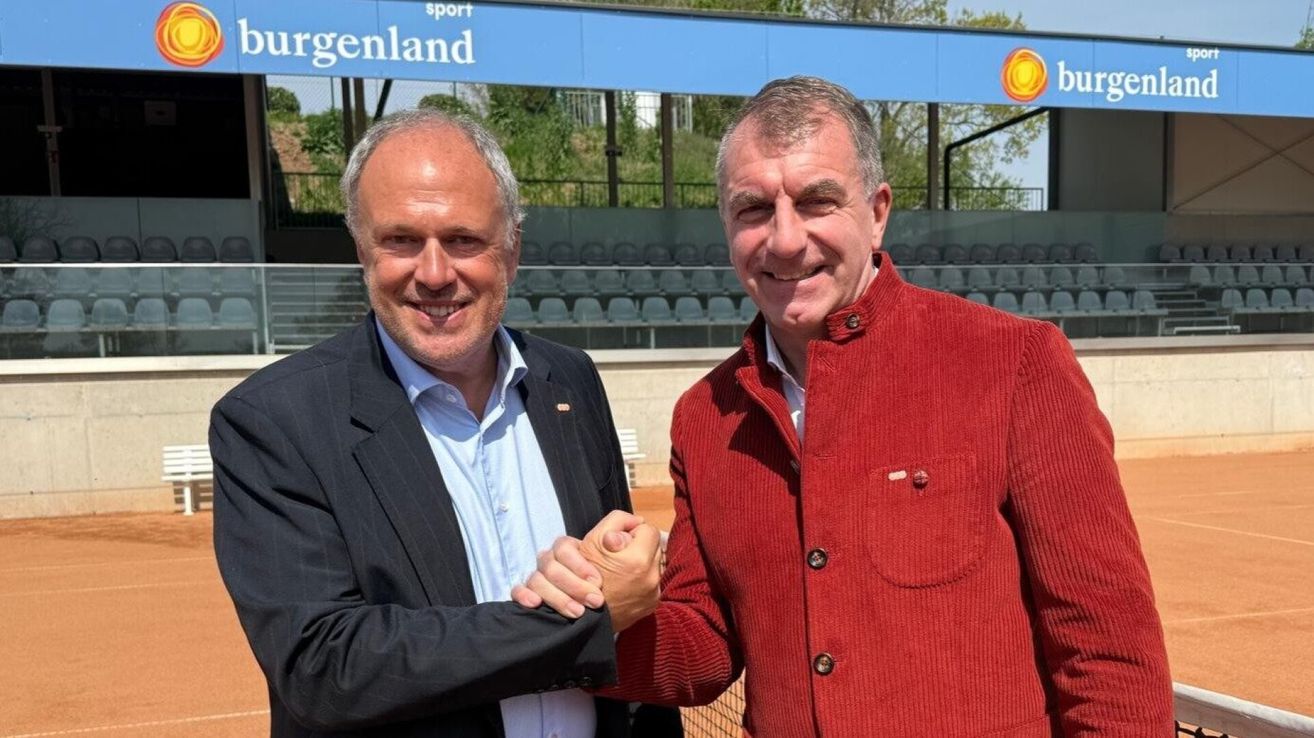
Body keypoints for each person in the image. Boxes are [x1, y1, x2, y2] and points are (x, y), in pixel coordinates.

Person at [513, 76, 1175, 736]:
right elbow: (704, 651)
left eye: (816, 201)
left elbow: (1107, 651)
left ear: (878, 209)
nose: (785, 240)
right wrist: (599, 617)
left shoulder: (1015, 364)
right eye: (752, 209)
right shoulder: (705, 417)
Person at [211, 108, 675, 738]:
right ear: (362, 249)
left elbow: (625, 609)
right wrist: (578, 626)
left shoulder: (569, 380)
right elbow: (324, 667)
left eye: (463, 240)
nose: (433, 274)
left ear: (512, 248)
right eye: (401, 240)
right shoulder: (273, 420)